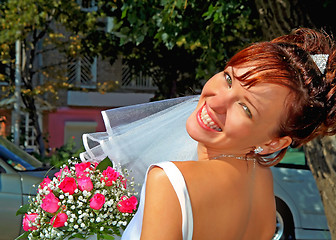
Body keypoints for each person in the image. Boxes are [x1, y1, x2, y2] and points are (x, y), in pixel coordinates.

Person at [81, 28, 336, 240]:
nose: (216, 102)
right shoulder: (261, 184)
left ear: (272, 143)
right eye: (228, 79)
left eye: (246, 108)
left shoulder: (171, 181)